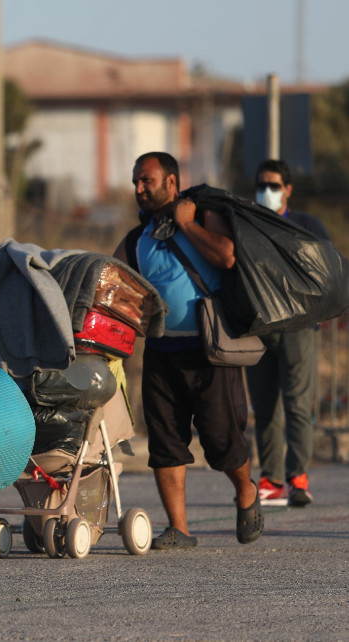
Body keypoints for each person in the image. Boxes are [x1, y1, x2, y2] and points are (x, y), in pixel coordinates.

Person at [114, 151, 262, 550]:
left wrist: (186, 225)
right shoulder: (138, 238)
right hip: (161, 351)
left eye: (146, 180)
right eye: (136, 181)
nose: (139, 188)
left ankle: (246, 490)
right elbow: (112, 278)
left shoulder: (203, 217)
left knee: (220, 438)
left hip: (209, 350)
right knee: (165, 441)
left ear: (171, 183)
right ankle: (179, 528)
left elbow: (226, 256)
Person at [246, 159, 329, 508]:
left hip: (297, 327)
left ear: (288, 189)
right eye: (262, 184)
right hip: (259, 327)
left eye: (274, 185)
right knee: (264, 407)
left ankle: (298, 478)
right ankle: (272, 479)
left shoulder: (306, 225)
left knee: (297, 405)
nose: (267, 191)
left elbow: (325, 271)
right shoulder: (248, 223)